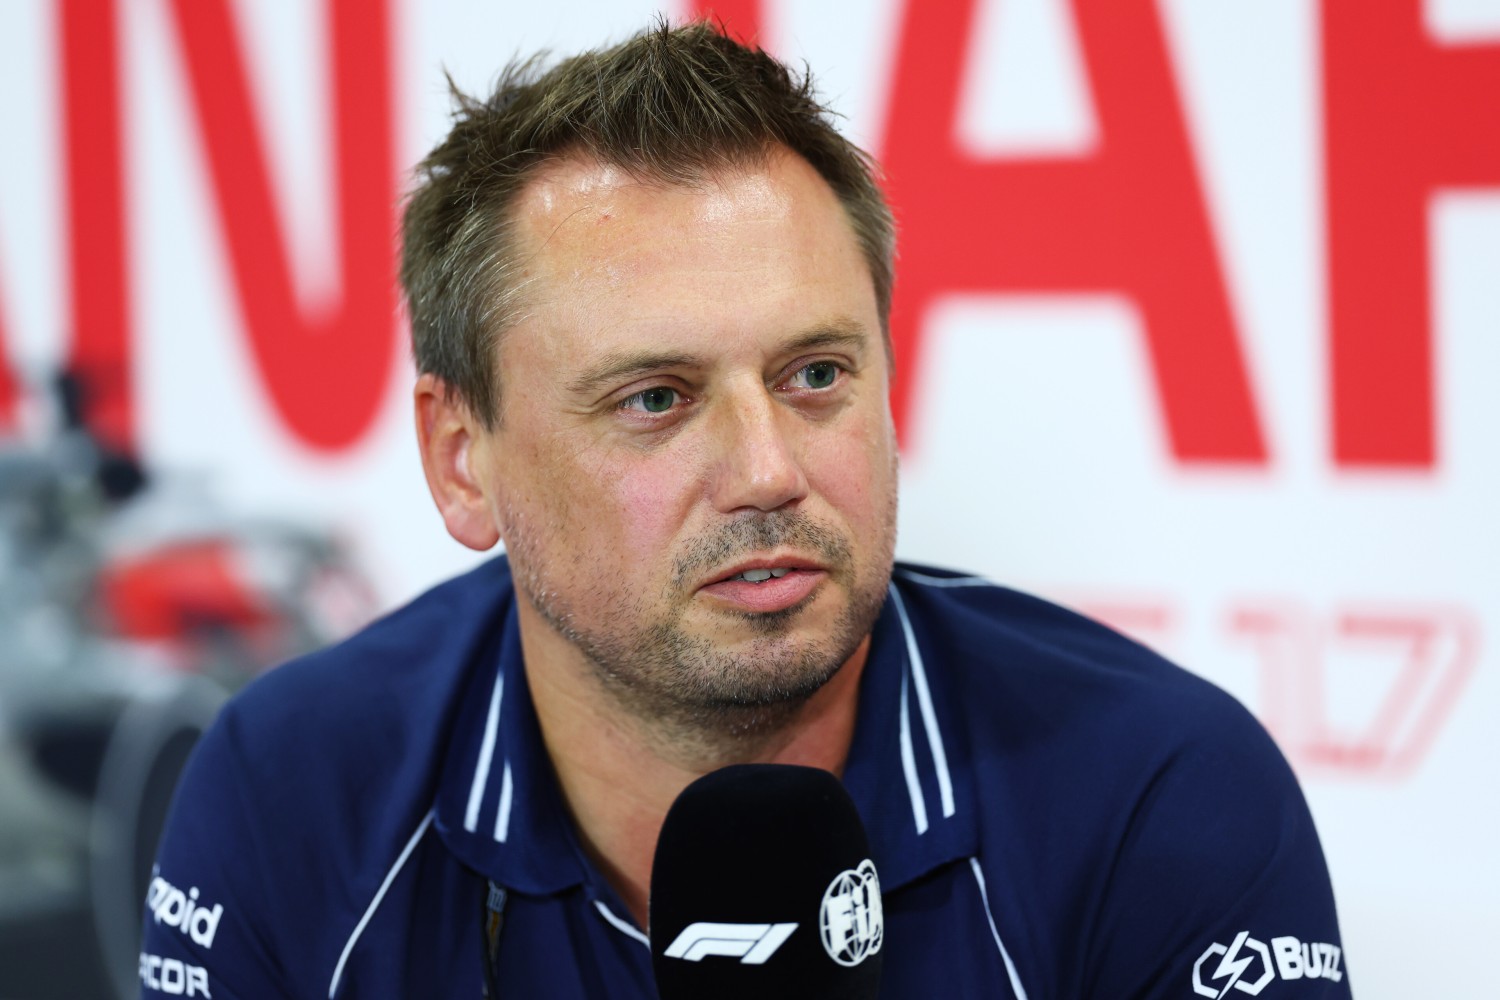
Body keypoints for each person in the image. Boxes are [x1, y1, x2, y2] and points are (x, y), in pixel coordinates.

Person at [140, 21, 1351, 999]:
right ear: (464, 460)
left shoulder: (1157, 797)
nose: (768, 467)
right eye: (656, 398)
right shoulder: (288, 793)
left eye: (815, 374)